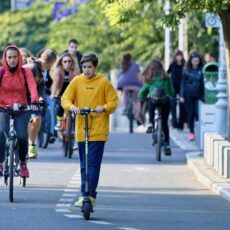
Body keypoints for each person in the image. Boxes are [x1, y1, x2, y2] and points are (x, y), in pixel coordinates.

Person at [61, 52, 119, 206]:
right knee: (83, 164)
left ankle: (90, 194)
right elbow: (65, 99)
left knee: (93, 163)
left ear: (95, 67)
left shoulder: (103, 82)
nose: (86, 70)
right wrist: (72, 107)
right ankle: (84, 194)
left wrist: (104, 108)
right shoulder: (76, 81)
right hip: (81, 129)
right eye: (84, 67)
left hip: (98, 130)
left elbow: (113, 101)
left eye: (89, 67)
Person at [0, 45, 39, 177]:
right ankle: (0, 163)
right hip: (3, 108)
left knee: (22, 137)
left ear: (19, 58)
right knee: (1, 134)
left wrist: (34, 101)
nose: (12, 60)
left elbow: (33, 87)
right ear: (5, 58)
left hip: (22, 109)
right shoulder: (1, 72)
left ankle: (22, 162)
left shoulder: (25, 72)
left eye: (15, 57)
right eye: (9, 57)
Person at [138, 59, 174, 155]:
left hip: (153, 102)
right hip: (165, 102)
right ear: (161, 68)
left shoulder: (150, 79)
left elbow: (142, 92)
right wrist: (171, 95)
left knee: (150, 101)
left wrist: (141, 97)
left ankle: (150, 123)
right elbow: (172, 91)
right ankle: (167, 145)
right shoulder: (166, 77)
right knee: (165, 123)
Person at [50, 52, 80, 130]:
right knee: (61, 104)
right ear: (61, 62)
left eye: (69, 61)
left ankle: (76, 125)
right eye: (65, 61)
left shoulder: (75, 70)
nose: (67, 63)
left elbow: (78, 82)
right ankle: (59, 121)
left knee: (77, 106)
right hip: (60, 92)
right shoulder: (58, 70)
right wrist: (53, 94)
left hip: (72, 92)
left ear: (72, 62)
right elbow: (56, 83)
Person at [180, 51, 204, 141]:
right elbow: (182, 83)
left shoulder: (202, 70)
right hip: (188, 94)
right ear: (191, 61)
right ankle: (191, 132)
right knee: (191, 114)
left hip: (199, 95)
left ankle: (199, 131)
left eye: (197, 61)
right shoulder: (186, 70)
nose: (195, 63)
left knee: (198, 113)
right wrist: (182, 95)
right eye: (194, 61)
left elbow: (204, 83)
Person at [24, 57, 44, 158]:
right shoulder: (21, 77)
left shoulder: (40, 80)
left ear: (37, 76)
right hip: (22, 99)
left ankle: (32, 144)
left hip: (34, 100)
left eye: (33, 76)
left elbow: (40, 95)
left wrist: (41, 101)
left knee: (36, 118)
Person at [117, 53, 143, 125]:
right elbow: (139, 75)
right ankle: (137, 114)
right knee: (137, 100)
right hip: (135, 85)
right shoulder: (136, 65)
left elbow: (119, 75)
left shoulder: (123, 65)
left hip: (125, 85)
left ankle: (125, 107)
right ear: (131, 58)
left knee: (125, 93)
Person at [167, 50, 187, 129]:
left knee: (182, 104)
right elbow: (167, 72)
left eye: (180, 56)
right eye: (177, 56)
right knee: (173, 103)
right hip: (173, 86)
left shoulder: (185, 65)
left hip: (182, 87)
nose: (179, 57)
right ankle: (174, 122)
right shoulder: (173, 64)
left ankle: (181, 122)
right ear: (175, 57)